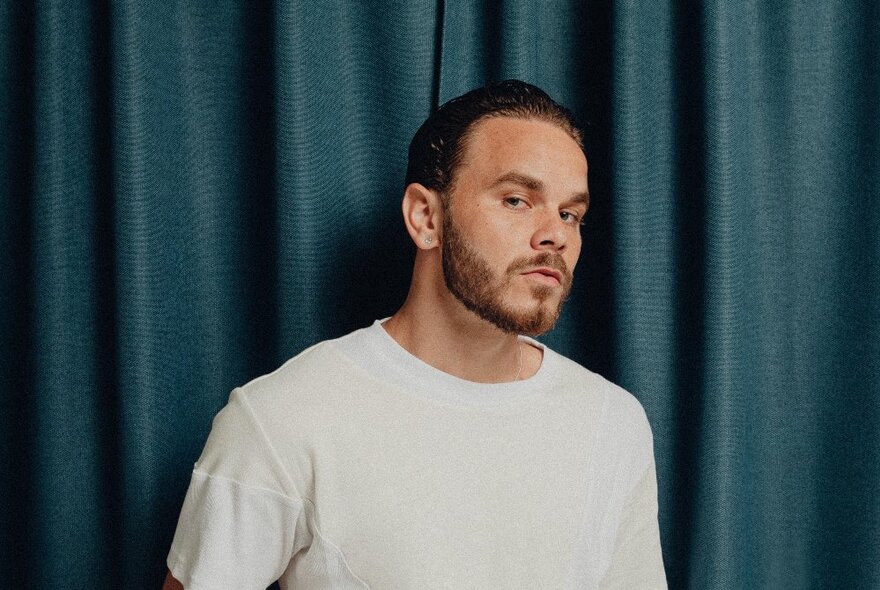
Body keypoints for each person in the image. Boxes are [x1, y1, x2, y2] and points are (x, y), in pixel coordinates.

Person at [163, 80, 667, 589]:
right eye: (517, 200)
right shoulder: (283, 419)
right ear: (426, 216)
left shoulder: (612, 423)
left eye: (569, 214)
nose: (555, 234)